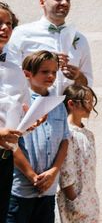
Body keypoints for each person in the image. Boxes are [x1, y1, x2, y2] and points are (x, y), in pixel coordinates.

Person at [8, 50, 70, 223]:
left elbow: (65, 140)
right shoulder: (19, 103)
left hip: (48, 190)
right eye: (44, 71)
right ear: (27, 73)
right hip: (21, 189)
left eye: (54, 72)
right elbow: (11, 144)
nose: (50, 76)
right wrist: (32, 176)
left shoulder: (59, 105)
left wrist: (54, 171)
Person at [4, 0, 93, 95]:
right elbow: (8, 72)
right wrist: (45, 62)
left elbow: (88, 83)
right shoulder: (22, 33)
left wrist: (78, 76)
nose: (64, 3)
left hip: (66, 107)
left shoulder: (80, 39)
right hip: (30, 105)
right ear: (42, 2)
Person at [56, 84, 99, 223]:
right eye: (87, 102)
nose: (91, 106)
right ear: (71, 103)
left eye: (92, 102)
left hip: (90, 201)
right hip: (74, 202)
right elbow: (65, 169)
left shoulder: (89, 134)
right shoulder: (66, 133)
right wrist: (73, 199)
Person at [0, 3, 25, 221]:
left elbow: (23, 108)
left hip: (4, 157)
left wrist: (32, 121)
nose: (5, 28)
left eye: (8, 24)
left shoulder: (15, 69)